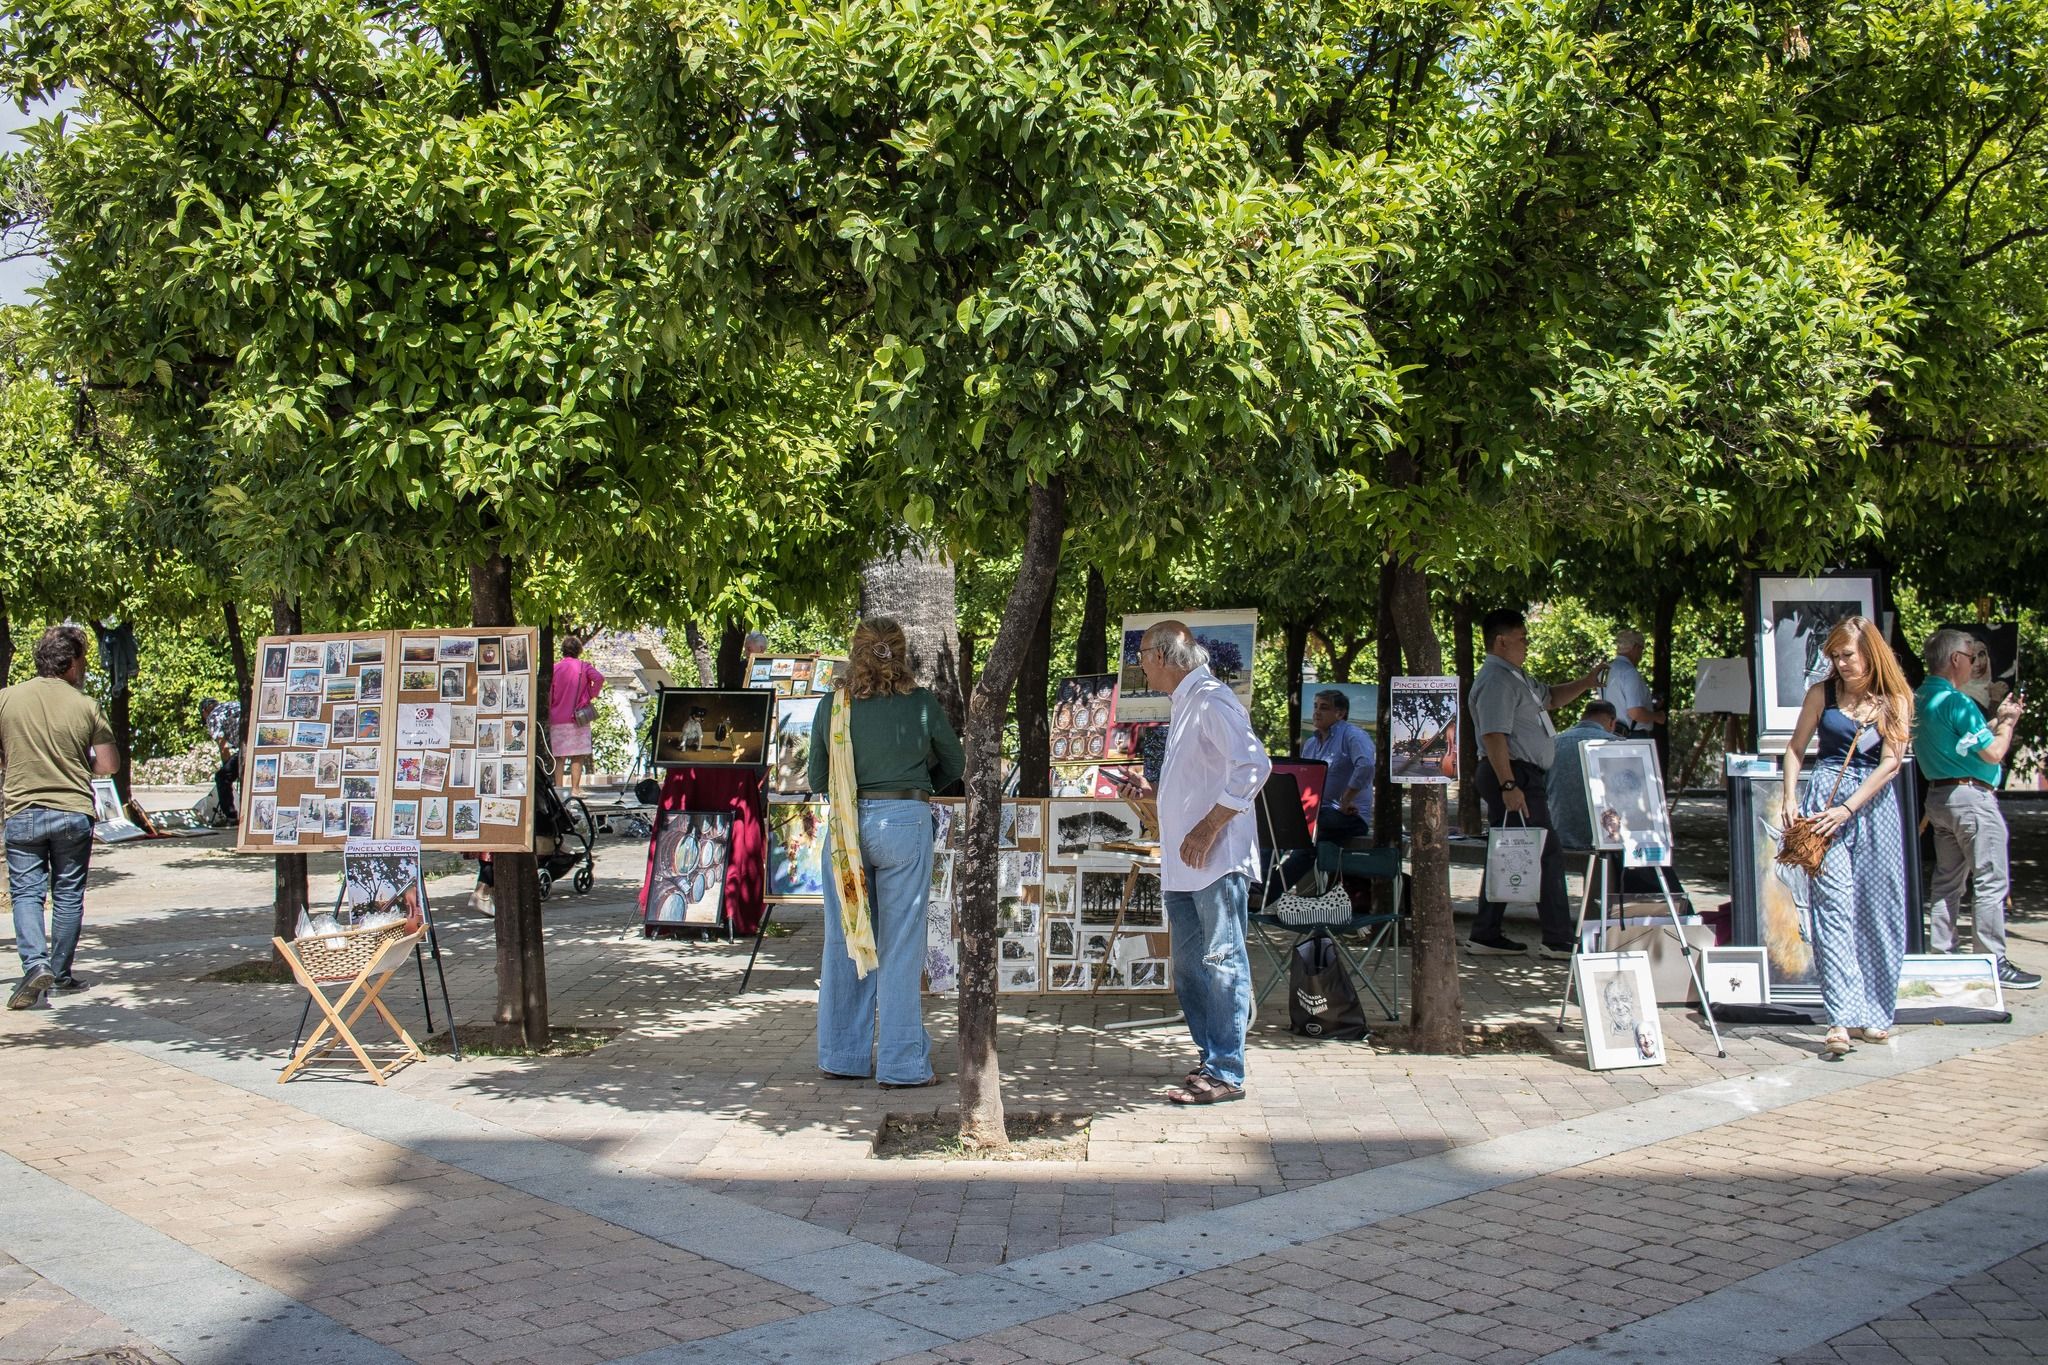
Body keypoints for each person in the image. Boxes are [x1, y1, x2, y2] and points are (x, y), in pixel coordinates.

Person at [807, 618, 963, 1088]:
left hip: (848, 831)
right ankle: (902, 1063)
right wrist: (916, 787)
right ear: (901, 652)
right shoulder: (920, 704)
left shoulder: (834, 705)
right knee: (901, 946)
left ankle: (842, 1056)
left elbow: (818, 780)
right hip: (905, 821)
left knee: (845, 940)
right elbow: (955, 762)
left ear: (855, 653)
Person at [1139, 621, 1272, 1105]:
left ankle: (1226, 1070)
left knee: (1220, 961)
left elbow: (1254, 765)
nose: (1140, 665)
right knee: (1192, 968)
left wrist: (1208, 827)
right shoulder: (1187, 703)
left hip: (1215, 860)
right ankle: (1212, 1056)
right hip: (1184, 865)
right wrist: (1156, 796)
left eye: (1143, 654)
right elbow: (1200, 778)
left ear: (1166, 655)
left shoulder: (1211, 699)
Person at [1781, 615, 1912, 1057]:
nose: (1841, 663)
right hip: (1824, 801)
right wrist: (1789, 796)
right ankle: (1840, 1018)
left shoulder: (1896, 699)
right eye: (1834, 656)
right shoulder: (1822, 694)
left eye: (1848, 655)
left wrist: (1848, 809)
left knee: (1880, 909)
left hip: (1873, 809)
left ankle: (1876, 1014)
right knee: (1832, 910)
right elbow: (1795, 749)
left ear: (1869, 653)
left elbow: (1891, 763)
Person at [1466, 608, 1604, 958]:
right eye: (1522, 638)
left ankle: (1486, 932)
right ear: (1501, 640)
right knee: (1546, 853)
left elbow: (1552, 698)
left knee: (1510, 850)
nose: (1527, 644)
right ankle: (1558, 939)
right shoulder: (1496, 680)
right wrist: (1509, 785)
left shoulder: (1517, 677)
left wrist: (1587, 683)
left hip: (1523, 774)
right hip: (1513, 773)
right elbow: (1494, 735)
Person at [0, 625, 120, 1009]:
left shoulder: (6, 699)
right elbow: (108, 764)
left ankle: (35, 965)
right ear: (70, 663)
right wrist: (78, 758)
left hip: (21, 811)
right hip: (72, 813)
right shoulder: (85, 705)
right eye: (83, 660)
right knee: (68, 894)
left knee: (26, 893)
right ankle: (61, 972)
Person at [1914, 628, 2038, 989]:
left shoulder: (1921, 698)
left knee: (1947, 881)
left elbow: (1967, 740)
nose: (1973, 664)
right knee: (1990, 881)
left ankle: (1942, 952)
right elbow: (1993, 753)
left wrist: (1996, 720)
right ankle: (1992, 959)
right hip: (1973, 800)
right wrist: (2010, 725)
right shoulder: (1957, 702)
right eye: (1970, 656)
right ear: (1955, 659)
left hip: (1940, 799)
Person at [1276, 688, 1376, 890]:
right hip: (1318, 813)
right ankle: (1259, 884)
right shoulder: (1311, 743)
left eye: (1324, 708)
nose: (1317, 712)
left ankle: (1267, 891)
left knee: (1308, 840)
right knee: (1276, 826)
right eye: (1315, 707)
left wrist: (1347, 799)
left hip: (1348, 816)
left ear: (1340, 713)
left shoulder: (1353, 736)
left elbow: (1366, 765)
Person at [548, 637, 606, 797]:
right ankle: (575, 789)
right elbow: (599, 678)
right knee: (577, 755)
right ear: (579, 650)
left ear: (563, 650)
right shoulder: (584, 666)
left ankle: (559, 790)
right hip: (578, 717)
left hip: (557, 717)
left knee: (559, 757)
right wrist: (590, 695)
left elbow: (549, 693)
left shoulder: (555, 668)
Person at [1600, 628, 1665, 737]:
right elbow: (1636, 713)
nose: (1641, 655)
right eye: (1641, 649)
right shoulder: (1630, 673)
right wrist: (1658, 716)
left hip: (1610, 732)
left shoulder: (1605, 671)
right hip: (1632, 735)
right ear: (1635, 648)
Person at [199, 696, 243, 825]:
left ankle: (231, 817)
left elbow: (223, 747)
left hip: (246, 748)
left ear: (205, 711)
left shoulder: (213, 716)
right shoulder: (233, 705)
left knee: (221, 777)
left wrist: (227, 768)